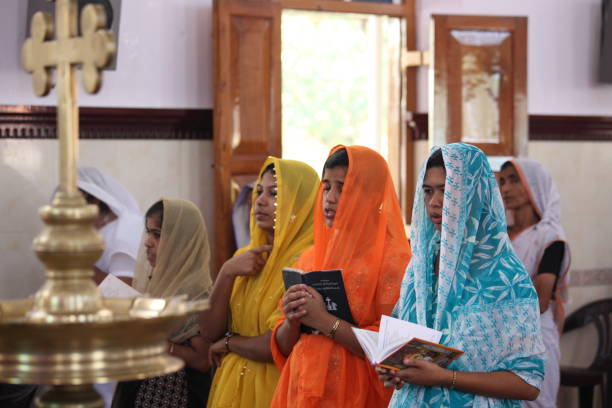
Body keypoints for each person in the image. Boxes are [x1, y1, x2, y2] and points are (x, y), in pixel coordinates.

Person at [378, 144, 546, 407]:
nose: (434, 202)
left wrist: (447, 378)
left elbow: (528, 383)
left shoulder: (504, 276)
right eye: (428, 191)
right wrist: (397, 370)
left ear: (473, 194)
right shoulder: (419, 268)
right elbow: (408, 347)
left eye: (447, 191)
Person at [270, 146, 411, 408]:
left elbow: (393, 348)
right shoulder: (311, 258)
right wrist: (291, 320)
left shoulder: (394, 263)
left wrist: (324, 321)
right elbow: (284, 344)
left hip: (359, 394)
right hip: (301, 389)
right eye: (326, 187)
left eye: (342, 188)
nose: (330, 198)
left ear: (371, 196)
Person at [202, 158, 319, 408]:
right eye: (259, 191)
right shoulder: (244, 258)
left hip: (275, 389)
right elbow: (209, 332)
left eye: (274, 193)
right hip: (231, 387)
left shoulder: (309, 261)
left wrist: (229, 343)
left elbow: (275, 344)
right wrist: (226, 273)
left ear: (300, 203)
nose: (260, 201)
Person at [112, 199, 212, 408]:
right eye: (148, 232)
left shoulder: (195, 292)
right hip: (141, 387)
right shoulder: (157, 280)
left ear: (181, 241)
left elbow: (203, 360)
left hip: (172, 394)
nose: (148, 242)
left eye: (157, 235)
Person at [499, 159, 571, 408]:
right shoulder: (498, 237)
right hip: (498, 337)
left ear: (535, 185)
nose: (505, 188)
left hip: (534, 337)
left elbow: (539, 301)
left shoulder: (550, 237)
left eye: (514, 180)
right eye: (502, 181)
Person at [77, 167, 143, 285]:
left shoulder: (126, 230)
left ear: (95, 200)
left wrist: (77, 262)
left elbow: (124, 292)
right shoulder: (99, 230)